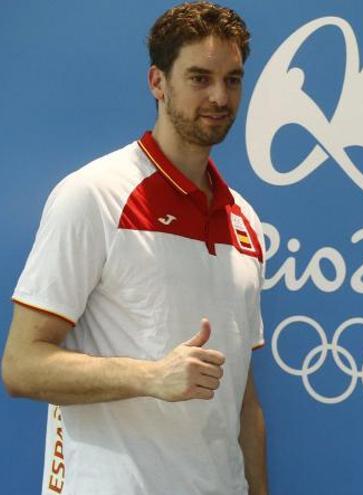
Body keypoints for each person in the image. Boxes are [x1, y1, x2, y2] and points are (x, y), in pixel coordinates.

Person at [1, 3, 267, 494]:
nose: (219, 96)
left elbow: (243, 400)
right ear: (157, 82)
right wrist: (151, 377)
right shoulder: (94, 195)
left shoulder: (246, 222)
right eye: (199, 77)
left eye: (232, 79)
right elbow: (21, 365)